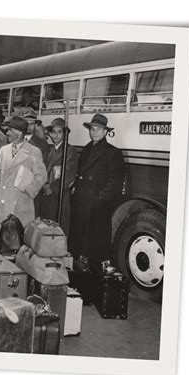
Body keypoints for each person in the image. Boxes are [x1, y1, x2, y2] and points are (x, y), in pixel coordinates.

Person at [68, 113, 125, 272]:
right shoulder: (86, 149)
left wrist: (100, 199)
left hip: (97, 206)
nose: (94, 132)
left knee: (97, 245)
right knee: (81, 242)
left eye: (98, 129)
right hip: (82, 202)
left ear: (105, 131)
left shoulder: (112, 152)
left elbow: (116, 181)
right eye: (92, 129)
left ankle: (95, 271)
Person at [0, 116, 48, 236]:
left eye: (10, 130)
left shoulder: (34, 151)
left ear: (19, 132)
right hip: (3, 203)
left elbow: (42, 176)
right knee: (2, 240)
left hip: (21, 203)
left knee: (18, 241)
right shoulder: (3, 150)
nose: (7, 133)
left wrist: (28, 190)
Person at [40, 118, 78, 234]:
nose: (56, 135)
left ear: (65, 134)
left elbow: (68, 174)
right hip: (48, 195)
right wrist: (44, 186)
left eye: (59, 132)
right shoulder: (51, 150)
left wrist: (51, 188)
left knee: (58, 230)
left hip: (60, 195)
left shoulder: (69, 151)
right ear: (50, 134)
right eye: (53, 132)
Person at [24, 111, 51, 218]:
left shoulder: (42, 144)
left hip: (34, 187)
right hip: (17, 187)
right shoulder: (14, 141)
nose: (29, 127)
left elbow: (44, 167)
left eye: (32, 124)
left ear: (35, 125)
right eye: (27, 123)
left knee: (32, 217)